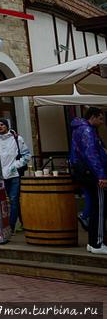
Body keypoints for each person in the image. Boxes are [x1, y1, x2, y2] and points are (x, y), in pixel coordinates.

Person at [69, 107, 107, 255]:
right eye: (101, 118)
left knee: (95, 207)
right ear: (93, 117)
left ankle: (92, 243)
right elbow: (91, 154)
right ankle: (97, 243)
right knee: (99, 208)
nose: (102, 122)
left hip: (84, 172)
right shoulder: (87, 131)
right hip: (92, 173)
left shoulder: (79, 129)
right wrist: (101, 175)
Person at [0, 118, 30, 232]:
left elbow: (26, 155)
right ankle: (22, 222)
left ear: (7, 126)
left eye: (2, 125)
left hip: (14, 174)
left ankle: (11, 226)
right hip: (1, 175)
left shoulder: (17, 139)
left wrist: (16, 165)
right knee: (8, 200)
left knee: (13, 199)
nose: (0, 127)